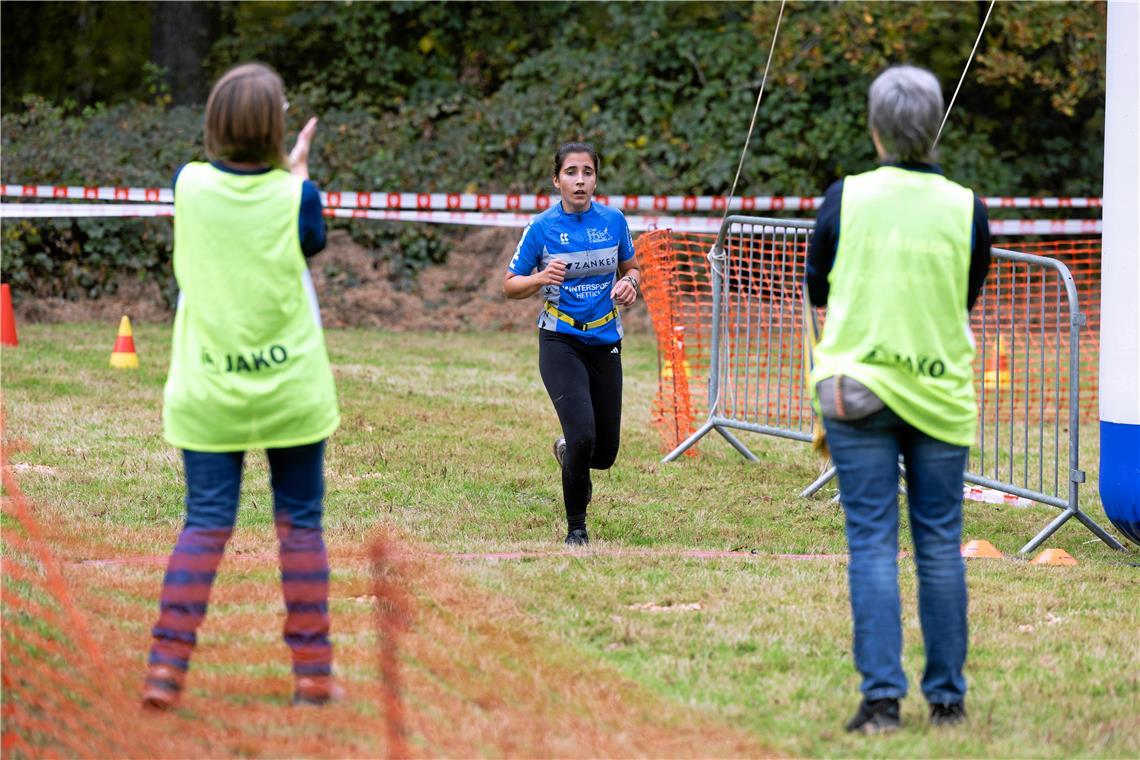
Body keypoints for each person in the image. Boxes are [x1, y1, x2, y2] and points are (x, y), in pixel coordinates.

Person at [142, 63, 341, 710]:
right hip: (291, 389)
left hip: (207, 389)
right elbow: (309, 236)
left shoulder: (189, 187)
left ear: (216, 122)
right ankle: (313, 673)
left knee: (203, 525)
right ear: (277, 127)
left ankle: (165, 667)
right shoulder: (297, 196)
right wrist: (299, 171)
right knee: (301, 528)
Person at [806, 65, 991, 734]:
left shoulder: (845, 196)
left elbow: (817, 288)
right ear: (933, 126)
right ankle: (948, 700)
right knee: (940, 546)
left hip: (857, 388)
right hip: (939, 390)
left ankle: (882, 702)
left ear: (875, 128)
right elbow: (967, 294)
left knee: (873, 545)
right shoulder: (966, 206)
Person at [504, 142, 640, 546]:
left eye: (587, 172)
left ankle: (568, 451)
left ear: (596, 178)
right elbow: (510, 286)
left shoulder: (614, 221)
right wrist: (541, 278)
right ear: (556, 179)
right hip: (560, 340)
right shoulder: (542, 227)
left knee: (604, 453)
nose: (580, 180)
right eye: (571, 172)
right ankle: (576, 529)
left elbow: (632, 267)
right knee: (583, 435)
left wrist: (631, 283)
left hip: (605, 340)